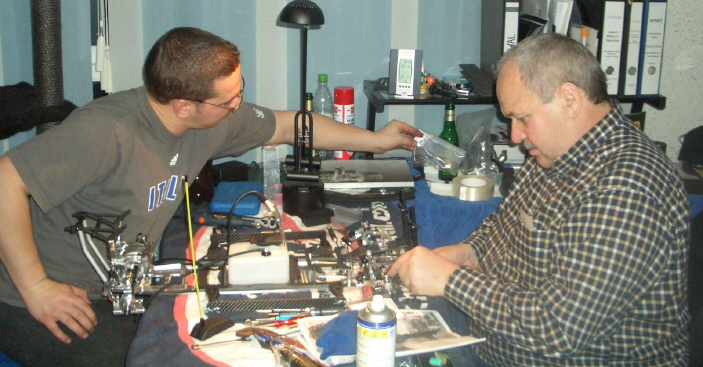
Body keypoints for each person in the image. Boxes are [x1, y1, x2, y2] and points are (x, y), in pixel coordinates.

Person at [0, 27, 421, 367]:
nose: (239, 105)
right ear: (184, 105)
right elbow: (5, 180)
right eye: (229, 99)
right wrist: (36, 288)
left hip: (122, 285)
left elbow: (287, 124)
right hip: (45, 298)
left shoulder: (210, 119)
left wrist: (377, 141)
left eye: (240, 90)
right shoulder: (105, 131)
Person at [390, 33, 690, 366]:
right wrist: (469, 252)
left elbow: (559, 329)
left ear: (569, 100)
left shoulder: (628, 188)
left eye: (522, 118)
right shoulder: (555, 153)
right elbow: (503, 225)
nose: (515, 136)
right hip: (488, 342)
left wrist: (450, 280)